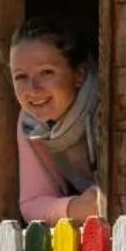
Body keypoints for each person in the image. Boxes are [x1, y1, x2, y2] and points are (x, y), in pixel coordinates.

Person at [11, 17, 103, 223]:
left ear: (78, 74)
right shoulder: (29, 123)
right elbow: (31, 203)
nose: (33, 89)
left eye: (46, 72)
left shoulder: (108, 103)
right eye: (21, 77)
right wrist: (74, 208)